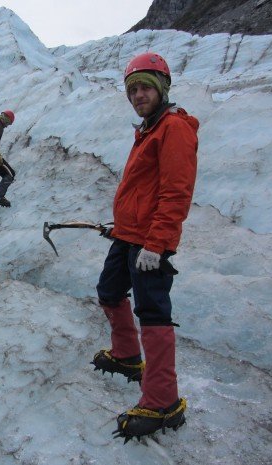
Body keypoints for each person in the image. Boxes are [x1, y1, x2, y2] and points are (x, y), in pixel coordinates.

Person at [92, 52, 199, 441]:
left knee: (153, 313)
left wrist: (156, 244)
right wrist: (121, 226)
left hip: (151, 243)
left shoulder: (174, 129)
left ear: (162, 88)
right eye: (133, 89)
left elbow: (175, 193)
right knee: (108, 292)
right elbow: (142, 190)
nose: (138, 95)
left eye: (145, 88)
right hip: (129, 235)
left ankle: (163, 402)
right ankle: (126, 356)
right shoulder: (148, 129)